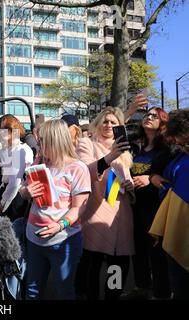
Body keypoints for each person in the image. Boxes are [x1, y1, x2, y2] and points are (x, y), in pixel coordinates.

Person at [19, 120, 91, 300]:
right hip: (33, 238)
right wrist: (26, 192)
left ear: (56, 140)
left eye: (42, 140)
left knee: (64, 291)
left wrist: (60, 225)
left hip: (64, 240)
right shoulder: (39, 163)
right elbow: (23, 191)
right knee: (32, 291)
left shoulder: (77, 168)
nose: (39, 145)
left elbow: (78, 208)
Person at [75, 107, 135, 300]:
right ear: (98, 123)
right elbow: (85, 172)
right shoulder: (86, 143)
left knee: (117, 265)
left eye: (113, 123)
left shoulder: (124, 150)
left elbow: (125, 178)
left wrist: (130, 185)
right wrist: (110, 156)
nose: (109, 125)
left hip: (120, 215)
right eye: (105, 121)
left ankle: (112, 296)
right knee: (93, 264)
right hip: (95, 213)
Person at [125, 107, 172, 300]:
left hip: (156, 208)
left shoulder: (168, 150)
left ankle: (161, 293)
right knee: (137, 249)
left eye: (155, 116)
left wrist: (149, 178)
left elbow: (169, 179)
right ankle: (141, 286)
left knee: (157, 253)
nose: (149, 118)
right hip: (133, 206)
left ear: (162, 123)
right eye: (147, 115)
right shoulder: (134, 147)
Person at [149, 109, 189, 300]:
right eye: (180, 141)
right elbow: (167, 179)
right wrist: (156, 178)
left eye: (184, 140)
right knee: (179, 284)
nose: (182, 144)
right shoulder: (179, 157)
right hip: (175, 227)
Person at [0, 114, 33, 222]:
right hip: (5, 195)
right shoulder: (5, 150)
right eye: (0, 130)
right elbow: (5, 179)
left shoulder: (23, 149)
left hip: (16, 199)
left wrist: (2, 204)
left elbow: (15, 183)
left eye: (3, 129)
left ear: (12, 130)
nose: (0, 132)